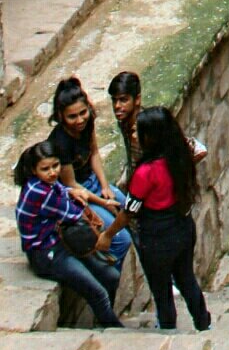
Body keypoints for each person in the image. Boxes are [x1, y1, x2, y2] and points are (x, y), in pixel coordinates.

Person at [98, 107, 211, 332]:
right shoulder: (181, 157)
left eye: (139, 133)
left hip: (157, 237)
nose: (134, 137)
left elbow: (129, 210)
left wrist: (108, 235)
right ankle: (203, 324)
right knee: (187, 279)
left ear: (150, 137)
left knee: (161, 290)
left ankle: (168, 330)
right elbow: (200, 149)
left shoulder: (146, 172)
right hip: (183, 227)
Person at [14, 141, 123, 329]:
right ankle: (114, 330)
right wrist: (80, 196)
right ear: (34, 170)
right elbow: (73, 212)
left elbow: (61, 190)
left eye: (55, 166)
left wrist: (71, 190)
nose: (53, 172)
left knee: (111, 277)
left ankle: (105, 321)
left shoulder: (44, 184)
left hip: (59, 241)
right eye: (45, 169)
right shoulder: (40, 192)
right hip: (45, 253)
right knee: (98, 293)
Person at [48, 77, 132, 266]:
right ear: (61, 116)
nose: (79, 120)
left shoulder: (87, 123)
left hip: (93, 183)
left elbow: (93, 152)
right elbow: (71, 184)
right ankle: (113, 279)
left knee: (133, 212)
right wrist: (103, 202)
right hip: (78, 196)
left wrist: (105, 186)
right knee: (120, 239)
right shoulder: (60, 143)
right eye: (72, 117)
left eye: (83, 113)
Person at [108, 70, 143, 184]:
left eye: (123, 100)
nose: (117, 106)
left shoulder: (149, 125)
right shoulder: (124, 122)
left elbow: (197, 151)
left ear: (137, 99)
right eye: (114, 100)